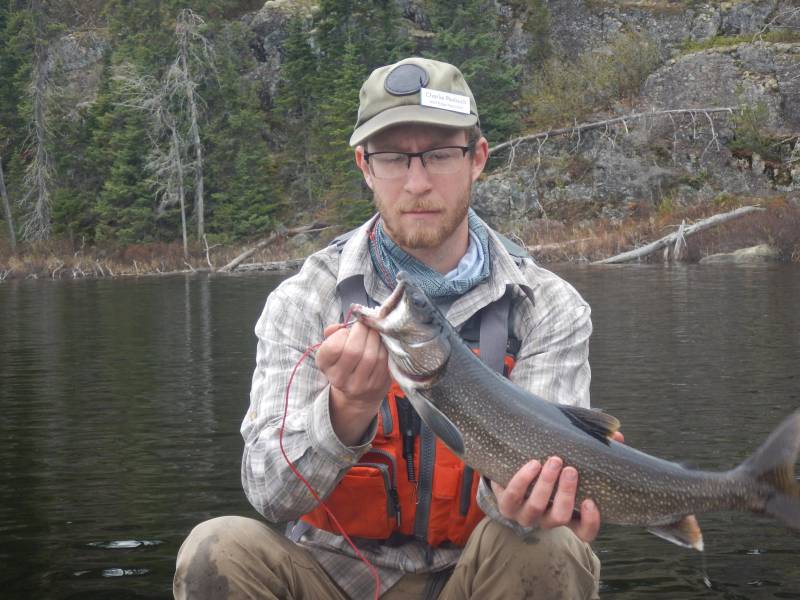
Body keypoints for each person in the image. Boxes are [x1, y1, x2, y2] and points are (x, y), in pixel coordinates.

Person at [174, 56, 615, 600]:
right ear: (365, 166)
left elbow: (545, 495)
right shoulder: (303, 299)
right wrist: (345, 412)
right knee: (217, 547)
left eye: (439, 154)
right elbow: (269, 493)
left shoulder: (548, 306)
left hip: (481, 576)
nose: (417, 181)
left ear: (477, 158)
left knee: (551, 546)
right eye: (392, 158)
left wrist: (531, 506)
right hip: (332, 579)